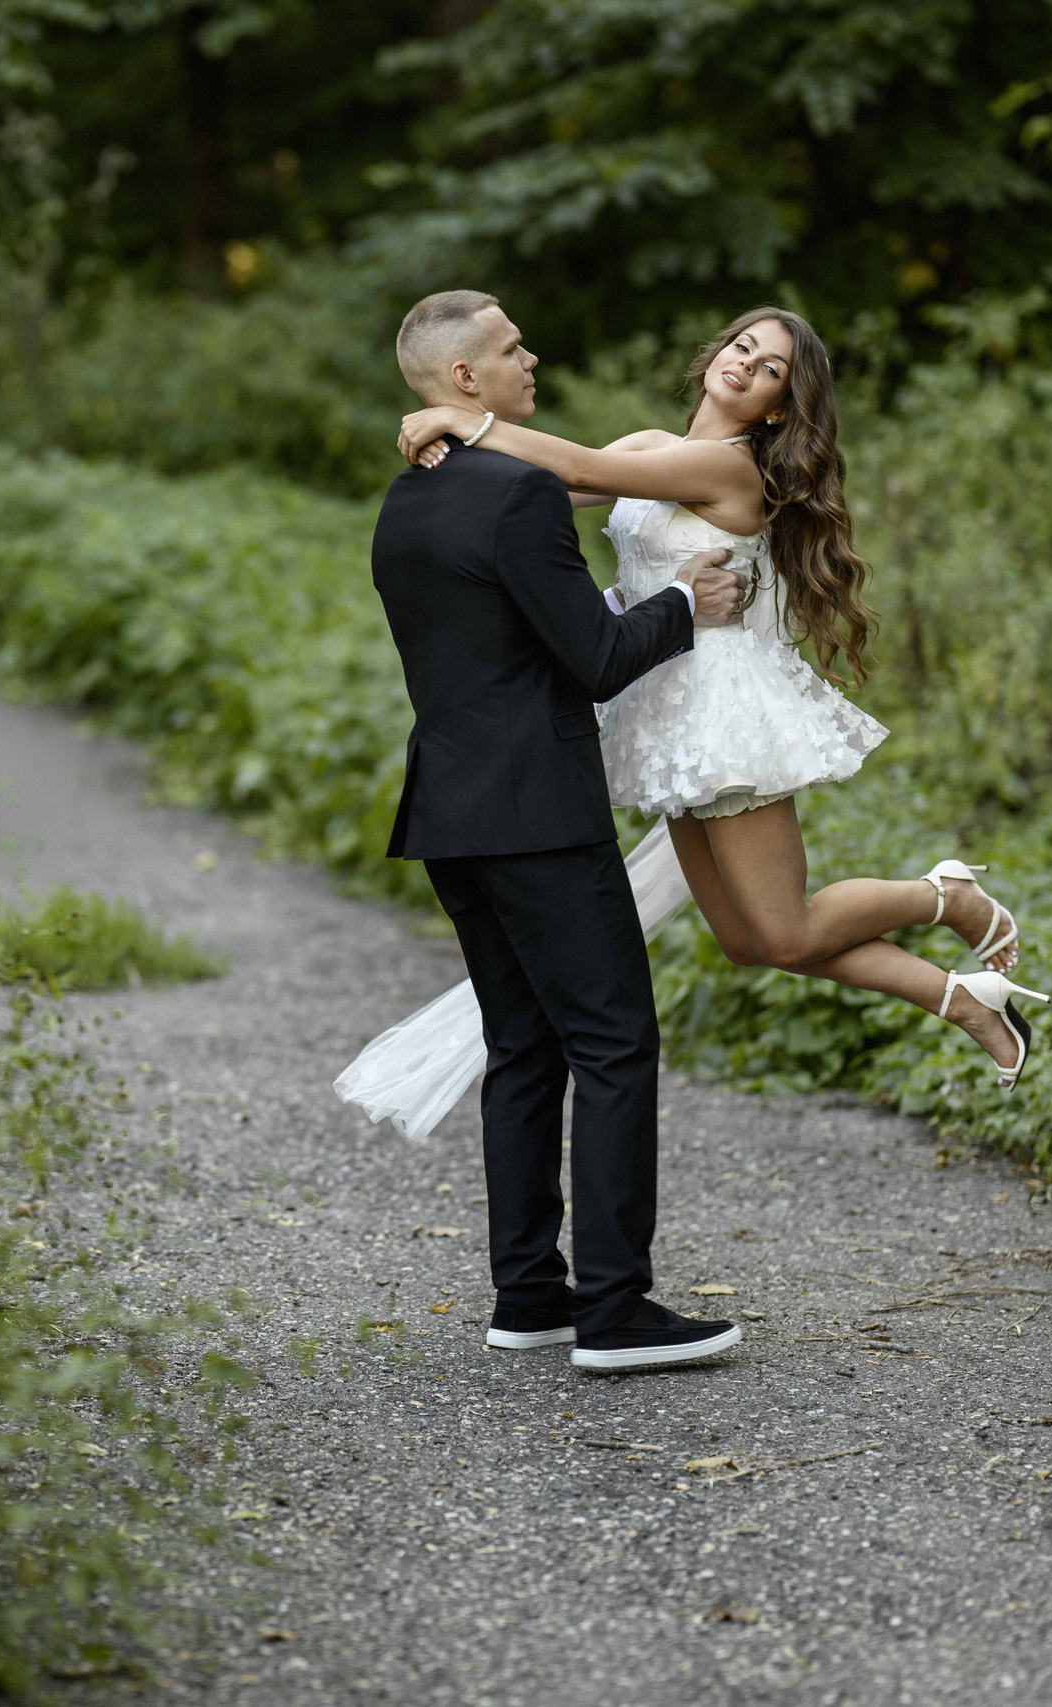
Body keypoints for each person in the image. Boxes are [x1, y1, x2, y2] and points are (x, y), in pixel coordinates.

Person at [397, 306, 1049, 1092]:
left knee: (787, 926)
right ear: (718, 353)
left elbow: (578, 468)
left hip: (721, 711)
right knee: (752, 942)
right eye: (743, 346)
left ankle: (946, 896)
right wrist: (452, 454)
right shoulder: (650, 447)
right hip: (660, 711)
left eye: (771, 367)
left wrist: (457, 416)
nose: (747, 363)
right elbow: (535, 491)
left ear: (777, 405)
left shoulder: (733, 467)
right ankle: (965, 998)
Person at [370, 289, 747, 1372]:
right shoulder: (519, 498)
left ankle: (529, 1294)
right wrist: (683, 605)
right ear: (464, 382)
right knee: (614, 1041)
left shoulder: (410, 500)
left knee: (523, 1047)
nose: (532, 356)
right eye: (509, 347)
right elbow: (597, 659)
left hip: (449, 811)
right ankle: (617, 1311)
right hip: (536, 812)